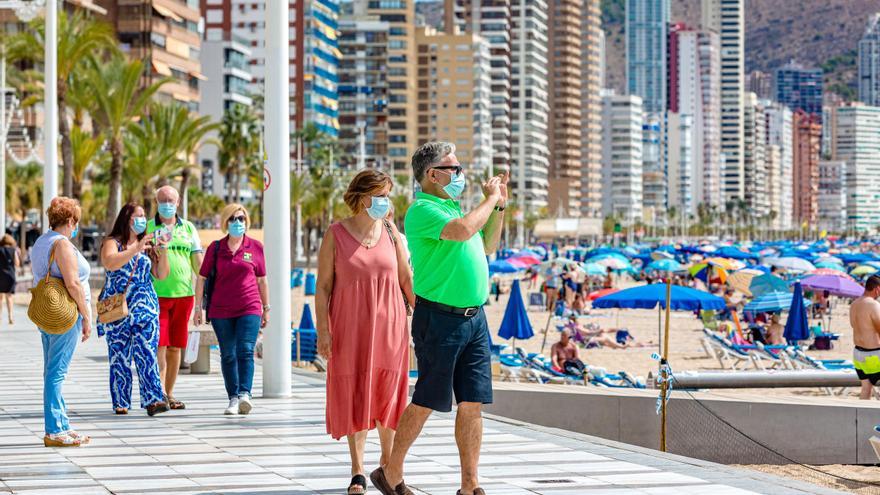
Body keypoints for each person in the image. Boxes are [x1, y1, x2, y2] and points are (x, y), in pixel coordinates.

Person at [370, 142, 506, 495]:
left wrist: (500, 204)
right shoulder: (423, 210)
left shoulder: (453, 208)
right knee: (428, 398)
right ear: (433, 174)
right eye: (454, 169)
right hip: (439, 318)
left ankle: (469, 484)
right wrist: (489, 200)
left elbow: (488, 244)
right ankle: (391, 471)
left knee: (473, 401)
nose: (460, 175)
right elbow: (462, 231)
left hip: (474, 319)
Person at [316, 170, 414, 495]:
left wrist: (429, 320)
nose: (386, 201)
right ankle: (358, 470)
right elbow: (323, 289)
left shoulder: (391, 231)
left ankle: (388, 466)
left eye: (388, 195)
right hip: (349, 327)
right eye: (380, 195)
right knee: (355, 392)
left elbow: (406, 281)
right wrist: (323, 332)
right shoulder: (336, 234)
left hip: (391, 328)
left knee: (387, 395)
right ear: (362, 197)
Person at [193, 204, 268, 415]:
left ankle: (245, 394)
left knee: (245, 350)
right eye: (234, 219)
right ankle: (233, 398)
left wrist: (267, 308)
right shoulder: (216, 248)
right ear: (226, 222)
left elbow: (262, 281)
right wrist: (198, 308)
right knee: (228, 354)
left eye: (242, 219)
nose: (238, 223)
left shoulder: (255, 247)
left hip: (249, 307)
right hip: (220, 310)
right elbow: (201, 278)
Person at [31, 197, 92, 446]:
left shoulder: (40, 242)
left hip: (46, 314)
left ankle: (62, 422)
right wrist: (87, 316)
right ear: (69, 221)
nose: (76, 226)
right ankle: (54, 430)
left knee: (52, 370)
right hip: (65, 315)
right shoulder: (62, 245)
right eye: (76, 221)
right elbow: (74, 284)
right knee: (56, 373)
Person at [98, 203, 170, 416]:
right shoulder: (113, 242)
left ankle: (154, 400)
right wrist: (135, 249)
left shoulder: (147, 243)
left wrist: (163, 250)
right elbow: (110, 263)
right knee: (119, 356)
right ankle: (121, 401)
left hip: (145, 304)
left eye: (143, 216)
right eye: (138, 215)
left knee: (147, 351)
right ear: (127, 218)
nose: (142, 219)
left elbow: (161, 274)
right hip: (118, 305)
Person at [147, 186, 204, 410]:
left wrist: (202, 299)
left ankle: (169, 393)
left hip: (184, 296)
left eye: (171, 200)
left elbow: (199, 265)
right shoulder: (149, 228)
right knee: (160, 345)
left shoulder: (188, 228)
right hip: (157, 295)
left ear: (178, 202)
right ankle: (158, 393)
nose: (167, 203)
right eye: (162, 200)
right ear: (156, 201)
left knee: (175, 347)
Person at [850, 275, 880, 400]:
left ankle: (862, 419)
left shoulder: (854, 304)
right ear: (877, 289)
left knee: (866, 389)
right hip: (873, 355)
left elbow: (853, 325)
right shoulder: (873, 304)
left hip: (858, 354)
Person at [0, 234, 20, 324]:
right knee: (9, 296)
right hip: (11, 276)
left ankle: (0, 316)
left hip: (1, 275)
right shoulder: (13, 250)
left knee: (0, 297)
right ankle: (10, 316)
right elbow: (17, 263)